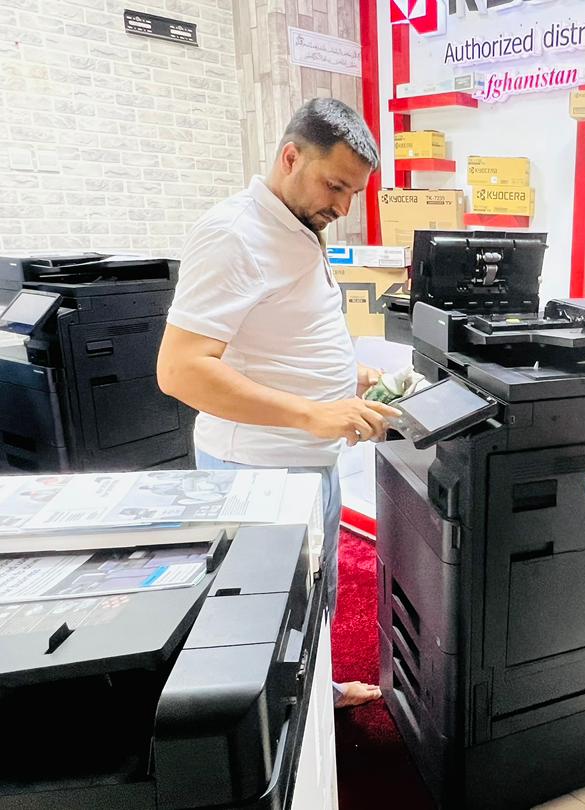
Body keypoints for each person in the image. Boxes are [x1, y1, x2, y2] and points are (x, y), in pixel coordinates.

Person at [157, 97, 399, 708]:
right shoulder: (234, 233)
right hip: (257, 470)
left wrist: (346, 375)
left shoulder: (298, 224)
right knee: (265, 621)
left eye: (354, 194)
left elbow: (280, 333)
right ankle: (280, 740)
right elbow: (180, 371)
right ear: (289, 157)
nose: (343, 208)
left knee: (316, 594)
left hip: (307, 460)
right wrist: (314, 411)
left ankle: (314, 696)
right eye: (335, 186)